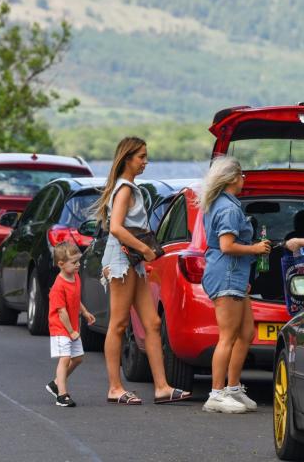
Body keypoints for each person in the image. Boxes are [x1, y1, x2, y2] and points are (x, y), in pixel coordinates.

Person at [94, 136, 192, 405]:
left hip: (132, 262)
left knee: (152, 323)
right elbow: (115, 228)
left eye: (146, 157)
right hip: (122, 260)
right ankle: (114, 387)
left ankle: (161, 386)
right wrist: (146, 250)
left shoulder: (129, 188)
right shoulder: (124, 189)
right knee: (119, 323)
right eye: (141, 157)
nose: (145, 162)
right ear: (128, 159)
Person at [197, 156, 271, 413]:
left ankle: (233, 388)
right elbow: (227, 246)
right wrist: (256, 248)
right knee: (227, 336)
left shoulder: (223, 204)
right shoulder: (228, 209)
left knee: (246, 333)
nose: (244, 180)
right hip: (227, 274)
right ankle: (216, 394)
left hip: (235, 275)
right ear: (231, 179)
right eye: (241, 175)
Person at [46, 240, 96, 408]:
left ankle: (55, 383)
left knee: (78, 358)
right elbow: (62, 312)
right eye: (74, 262)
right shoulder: (58, 286)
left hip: (72, 327)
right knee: (65, 359)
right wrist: (71, 331)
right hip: (60, 327)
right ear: (61, 264)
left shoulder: (75, 277)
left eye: (78, 261)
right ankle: (62, 395)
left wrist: (85, 312)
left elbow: (75, 299)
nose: (78, 265)